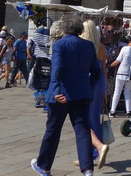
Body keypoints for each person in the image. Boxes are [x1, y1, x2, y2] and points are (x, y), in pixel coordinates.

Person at [31, 15, 100, 176]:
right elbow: (96, 72)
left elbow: (57, 68)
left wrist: (55, 91)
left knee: (53, 130)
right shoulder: (89, 45)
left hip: (62, 94)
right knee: (82, 130)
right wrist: (88, 88)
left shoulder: (60, 44)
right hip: (82, 94)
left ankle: (44, 167)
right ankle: (87, 169)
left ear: (63, 29)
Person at [78, 20, 110, 170]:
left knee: (84, 120)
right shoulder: (101, 47)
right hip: (99, 83)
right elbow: (104, 70)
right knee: (94, 117)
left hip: (87, 83)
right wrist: (105, 90)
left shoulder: (82, 46)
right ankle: (91, 154)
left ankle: (95, 150)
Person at [109, 37, 131, 117]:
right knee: (127, 92)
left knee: (117, 92)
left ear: (129, 42)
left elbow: (118, 60)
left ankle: (112, 111)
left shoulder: (125, 48)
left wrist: (110, 65)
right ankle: (129, 111)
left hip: (121, 73)